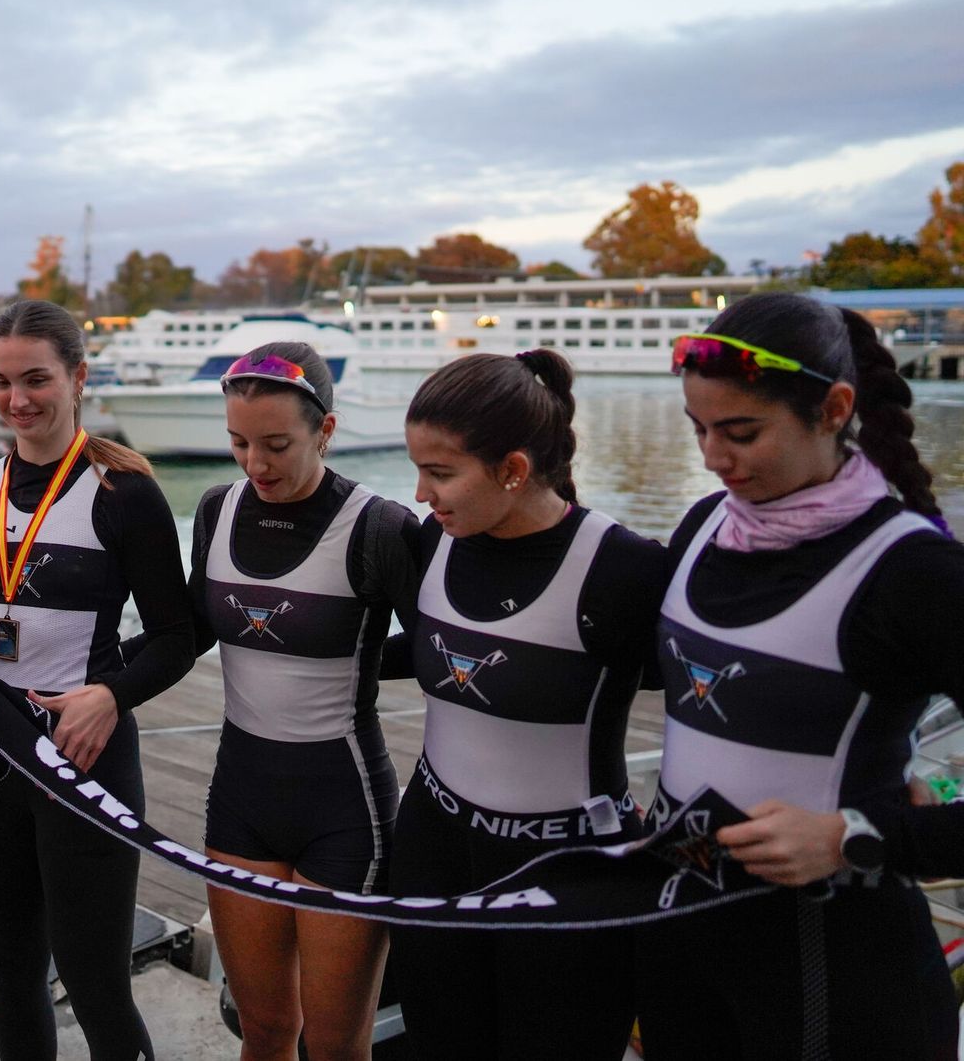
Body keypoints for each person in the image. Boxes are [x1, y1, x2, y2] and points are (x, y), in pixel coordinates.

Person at [635, 292, 964, 1059]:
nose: (714, 458)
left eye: (742, 432)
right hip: (681, 940)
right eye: (700, 429)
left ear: (834, 408)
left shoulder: (914, 574)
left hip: (834, 962)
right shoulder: (703, 526)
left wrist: (858, 835)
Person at [0, 299, 194, 1061]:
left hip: (87, 758)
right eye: (2, 382)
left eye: (36, 379)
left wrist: (111, 695)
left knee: (96, 978)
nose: (18, 400)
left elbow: (177, 636)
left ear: (78, 377)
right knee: (11, 970)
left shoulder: (123, 492)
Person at [386, 349, 666, 1060]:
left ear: (512, 469)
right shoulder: (437, 541)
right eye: (418, 469)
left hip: (566, 873)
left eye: (440, 473)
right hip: (435, 849)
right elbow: (435, 656)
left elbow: (712, 701)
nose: (422, 494)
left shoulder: (621, 568)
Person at [180, 342, 418, 1061]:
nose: (255, 464)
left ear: (326, 429)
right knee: (265, 1032)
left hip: (344, 811)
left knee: (337, 1045)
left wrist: (354, 657)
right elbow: (185, 632)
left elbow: (447, 650)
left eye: (277, 444)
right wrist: (97, 687)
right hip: (241, 801)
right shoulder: (217, 510)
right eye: (238, 443)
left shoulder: (379, 526)